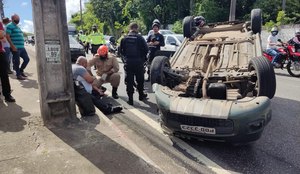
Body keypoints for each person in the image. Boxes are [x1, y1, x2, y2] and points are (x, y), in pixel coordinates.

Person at [120, 22, 148, 105]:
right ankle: (141, 95)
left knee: (129, 81)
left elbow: (120, 51)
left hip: (128, 62)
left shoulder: (124, 38)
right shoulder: (140, 38)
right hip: (138, 62)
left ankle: (130, 99)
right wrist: (142, 59)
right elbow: (146, 50)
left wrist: (125, 59)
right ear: (137, 28)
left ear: (129, 28)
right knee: (140, 80)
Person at [6, 14, 30, 80]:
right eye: (17, 18)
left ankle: (21, 70)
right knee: (17, 61)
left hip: (22, 47)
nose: (19, 20)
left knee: (27, 59)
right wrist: (12, 46)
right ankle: (18, 75)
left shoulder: (17, 26)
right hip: (15, 47)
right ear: (13, 18)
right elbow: (7, 36)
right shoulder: (9, 25)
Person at [0, 21, 15, 102]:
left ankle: (7, 94)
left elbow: (2, 35)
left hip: (0, 52)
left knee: (4, 74)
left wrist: (1, 37)